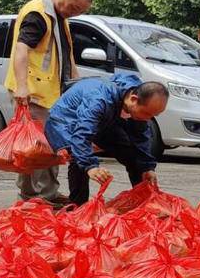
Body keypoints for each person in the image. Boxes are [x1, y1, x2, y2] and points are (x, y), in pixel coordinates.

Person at [6, 0, 93, 205]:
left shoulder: (58, 17)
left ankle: (47, 194)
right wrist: (22, 86)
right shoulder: (38, 14)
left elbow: (66, 55)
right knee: (35, 149)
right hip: (34, 93)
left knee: (50, 147)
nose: (73, 13)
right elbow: (22, 49)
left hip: (51, 94)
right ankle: (34, 197)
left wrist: (76, 85)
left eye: (78, 12)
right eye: (72, 8)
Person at [43, 74, 168, 205]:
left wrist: (147, 168)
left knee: (131, 153)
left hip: (104, 121)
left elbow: (140, 137)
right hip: (65, 121)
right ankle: (78, 206)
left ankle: (143, 202)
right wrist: (90, 167)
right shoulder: (98, 100)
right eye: (147, 114)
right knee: (77, 156)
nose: (148, 119)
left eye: (154, 115)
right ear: (133, 99)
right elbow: (81, 136)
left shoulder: (135, 102)